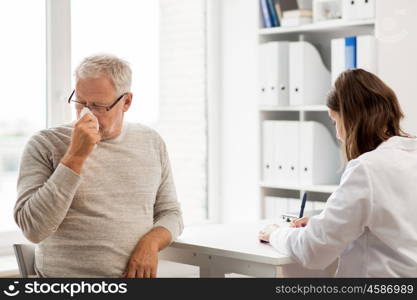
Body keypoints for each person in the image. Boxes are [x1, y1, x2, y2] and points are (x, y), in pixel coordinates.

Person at [14, 54, 183, 278]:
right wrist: (75, 155)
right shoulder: (44, 144)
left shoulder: (151, 142)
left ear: (126, 102)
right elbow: (33, 229)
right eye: (80, 102)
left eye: (97, 106)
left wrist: (151, 243)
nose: (86, 113)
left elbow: (171, 213)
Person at [259, 69, 417, 277]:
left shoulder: (366, 169)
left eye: (335, 121)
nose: (338, 134)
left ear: (351, 119)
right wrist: (323, 222)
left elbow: (313, 251)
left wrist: (275, 234)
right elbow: (388, 225)